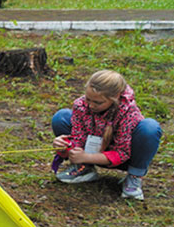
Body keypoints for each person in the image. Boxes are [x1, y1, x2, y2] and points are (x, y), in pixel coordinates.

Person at [51, 70, 162, 201]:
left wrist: (86, 156)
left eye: (98, 103)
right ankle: (84, 168)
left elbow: (122, 153)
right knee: (61, 117)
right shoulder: (81, 105)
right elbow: (78, 139)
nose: (91, 105)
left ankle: (134, 178)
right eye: (88, 99)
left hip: (123, 158)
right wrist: (65, 147)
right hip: (90, 152)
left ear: (115, 97)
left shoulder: (128, 112)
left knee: (150, 127)